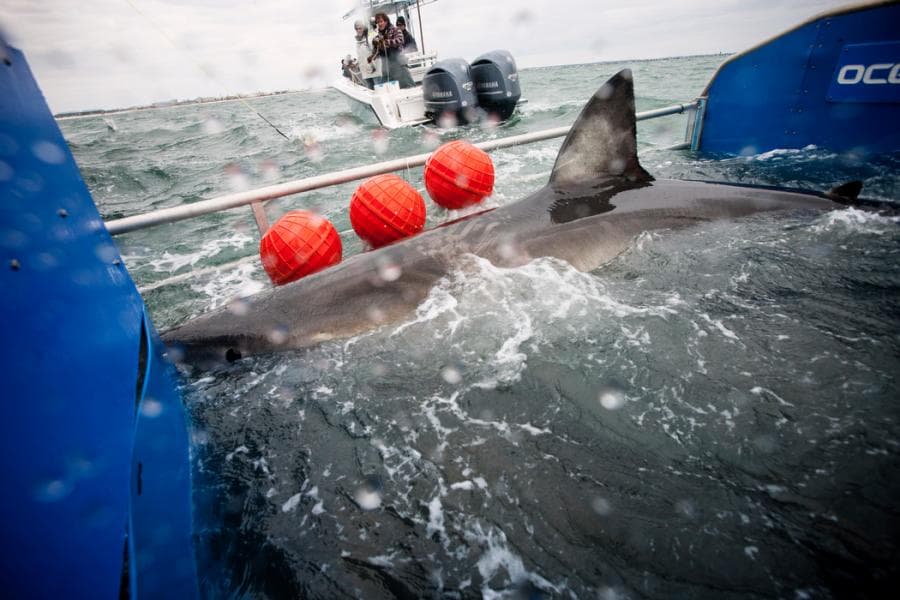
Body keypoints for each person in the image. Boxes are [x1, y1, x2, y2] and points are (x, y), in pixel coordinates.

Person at [368, 12, 415, 89]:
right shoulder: (377, 36)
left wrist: (385, 42)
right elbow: (376, 51)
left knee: (409, 86)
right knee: (384, 89)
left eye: (381, 21)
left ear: (386, 21)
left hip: (399, 64)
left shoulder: (395, 29)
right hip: (386, 67)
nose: (379, 24)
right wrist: (372, 55)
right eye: (378, 22)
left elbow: (400, 40)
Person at [353, 20, 380, 89]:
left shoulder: (370, 37)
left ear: (364, 28)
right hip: (365, 70)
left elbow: (377, 51)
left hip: (374, 69)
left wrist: (372, 64)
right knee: (370, 90)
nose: (358, 30)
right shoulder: (357, 41)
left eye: (360, 28)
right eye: (357, 29)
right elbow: (361, 55)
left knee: (379, 88)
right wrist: (357, 63)